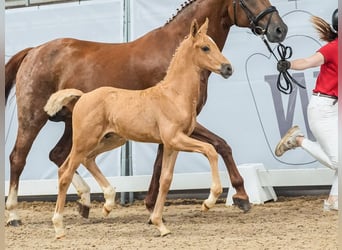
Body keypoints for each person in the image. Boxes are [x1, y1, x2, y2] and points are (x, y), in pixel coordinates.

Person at [275, 9, 338, 211]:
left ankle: (333, 201)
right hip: (323, 108)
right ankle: (298, 140)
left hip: (336, 110)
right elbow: (308, 62)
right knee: (339, 162)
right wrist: (289, 64)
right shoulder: (333, 49)